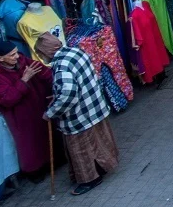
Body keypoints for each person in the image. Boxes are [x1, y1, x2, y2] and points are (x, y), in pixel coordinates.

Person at [39, 34, 118, 196]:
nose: (41, 57)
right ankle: (102, 167)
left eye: (41, 53)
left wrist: (51, 112)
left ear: (47, 51)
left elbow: (68, 94)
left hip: (79, 117)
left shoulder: (61, 66)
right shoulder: (76, 51)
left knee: (80, 151)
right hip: (95, 107)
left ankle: (90, 179)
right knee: (98, 142)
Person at [0, 39, 52, 174]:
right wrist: (24, 79)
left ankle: (52, 162)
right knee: (29, 145)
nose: (17, 56)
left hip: (39, 106)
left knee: (45, 137)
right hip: (20, 117)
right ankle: (35, 172)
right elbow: (7, 99)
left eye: (16, 52)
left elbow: (45, 72)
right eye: (12, 55)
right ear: (0, 58)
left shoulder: (23, 61)